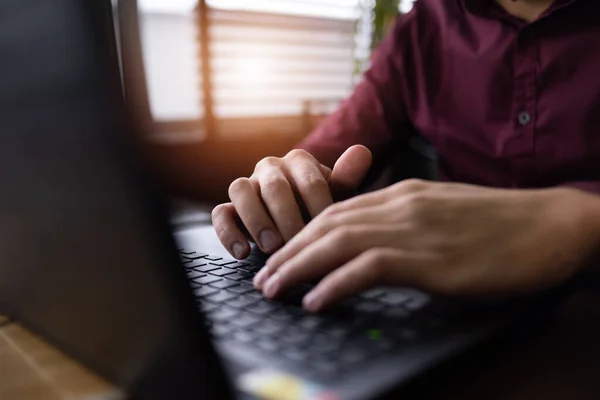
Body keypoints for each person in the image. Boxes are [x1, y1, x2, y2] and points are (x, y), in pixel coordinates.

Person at [211, 0, 600, 312]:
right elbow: (328, 158)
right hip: (457, 317)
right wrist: (284, 186)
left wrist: (581, 224)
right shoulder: (425, 25)